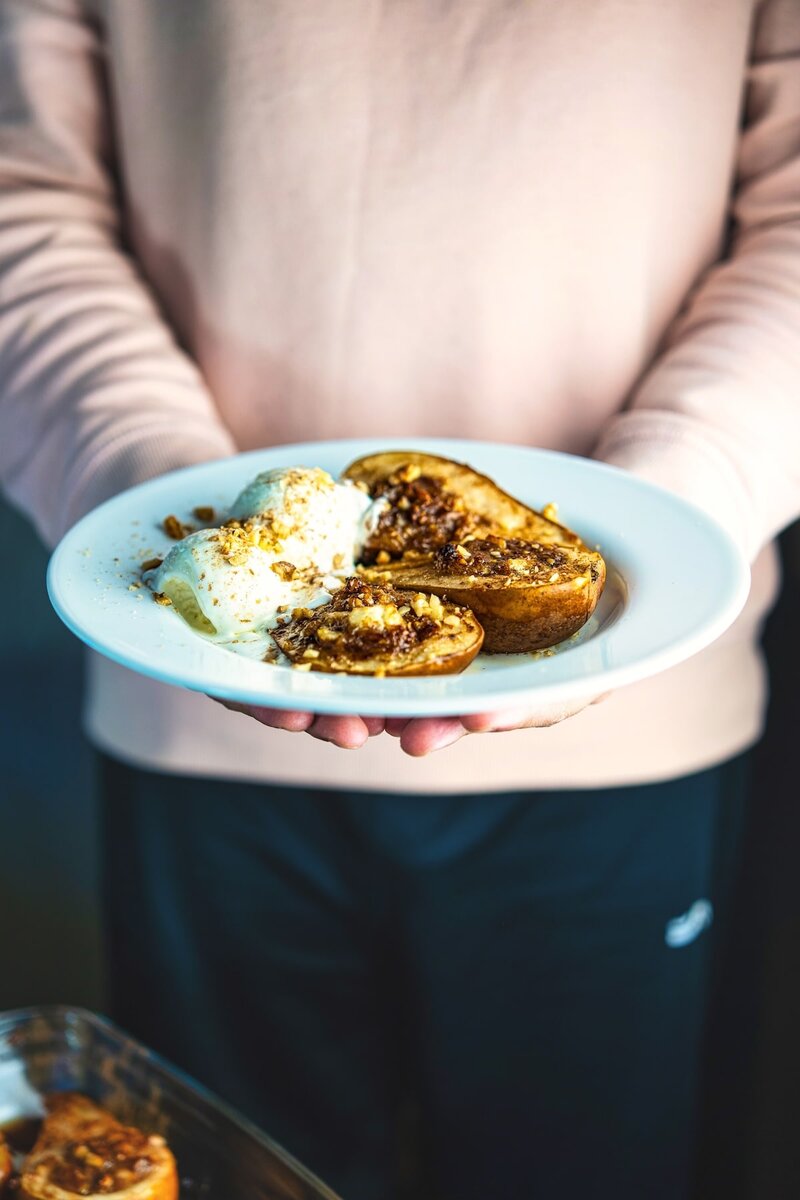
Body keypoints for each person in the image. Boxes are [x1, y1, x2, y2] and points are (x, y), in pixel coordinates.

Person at [1, 2, 799, 1197]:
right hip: (191, 697)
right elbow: (25, 194)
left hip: (626, 713)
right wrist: (152, 498)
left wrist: (672, 509)